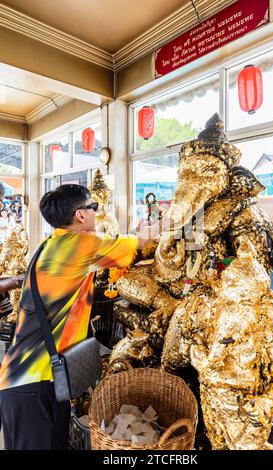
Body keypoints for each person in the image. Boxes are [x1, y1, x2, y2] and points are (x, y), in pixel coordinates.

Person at [0, 184, 139, 450]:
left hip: (38, 381)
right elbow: (140, 242)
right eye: (93, 207)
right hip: (32, 384)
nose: (97, 213)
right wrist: (173, 223)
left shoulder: (49, 244)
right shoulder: (82, 244)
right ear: (80, 215)